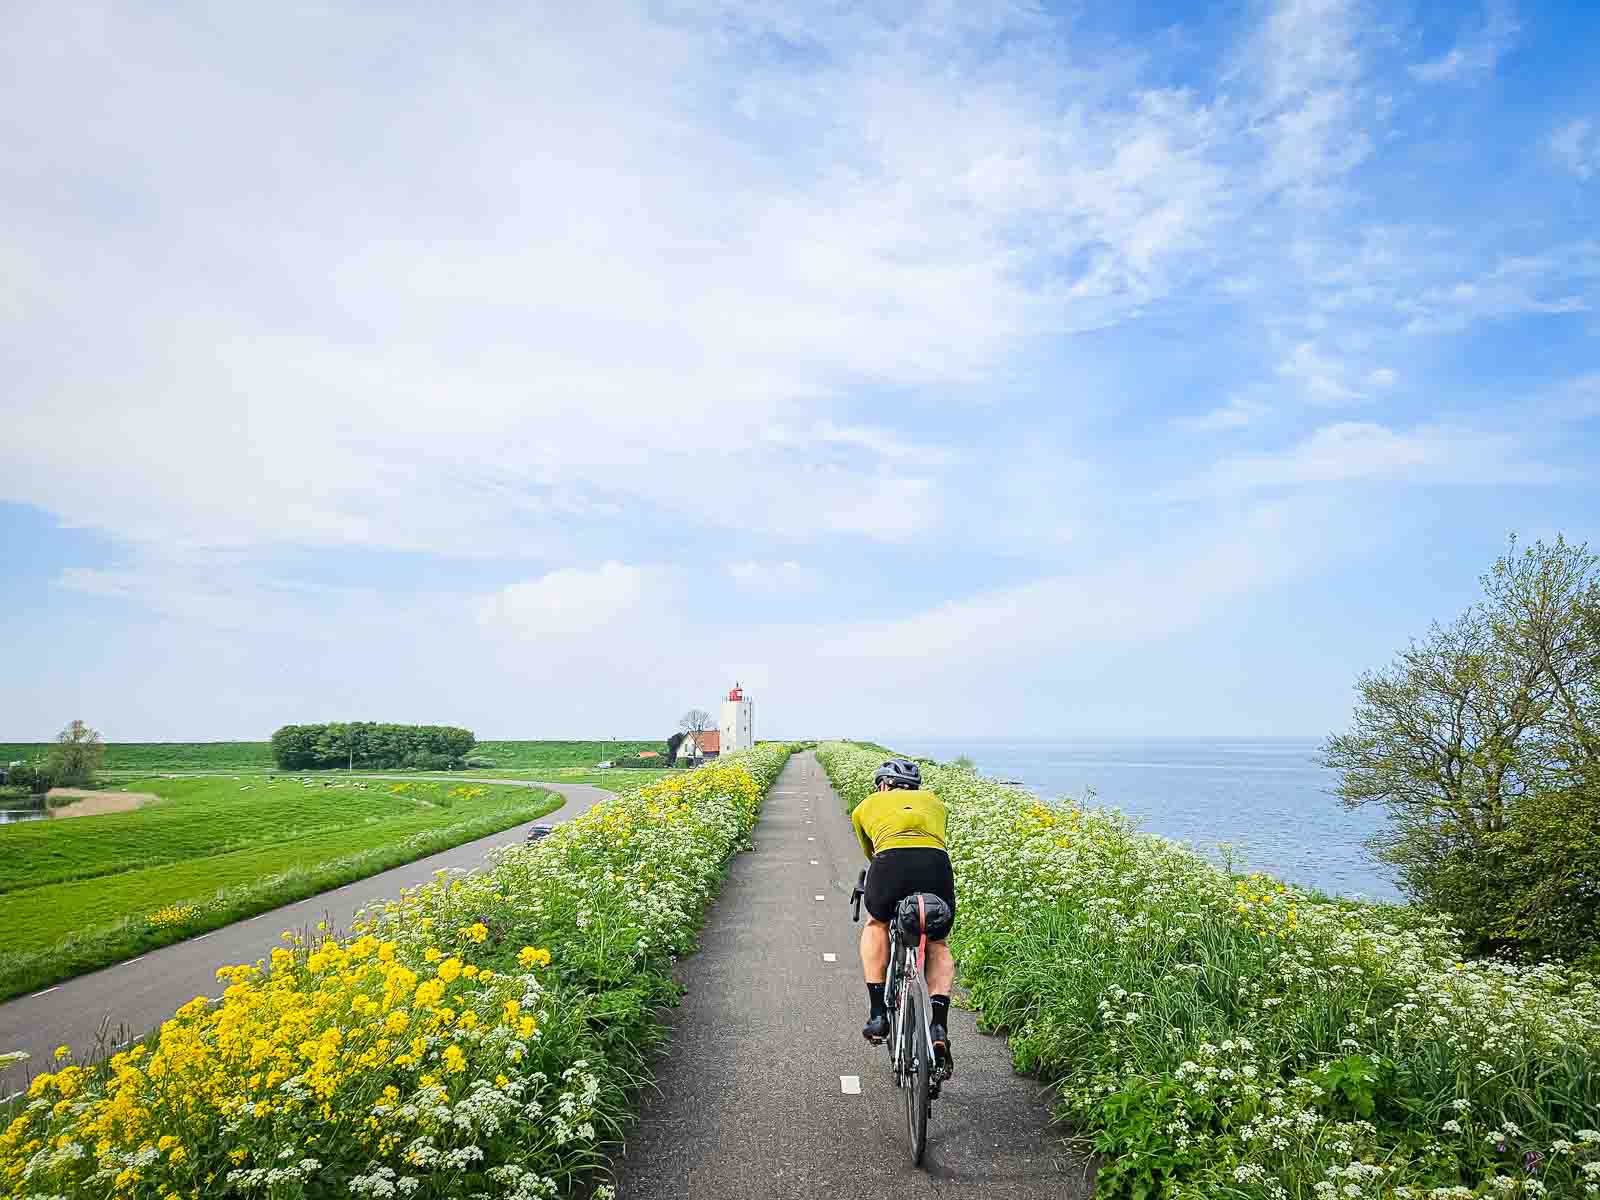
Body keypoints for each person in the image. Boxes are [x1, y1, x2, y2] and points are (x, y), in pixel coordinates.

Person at [853, 757, 955, 1070]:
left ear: (883, 785)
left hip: (890, 863)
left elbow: (871, 851)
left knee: (877, 923)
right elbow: (937, 839)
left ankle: (878, 1014)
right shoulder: (935, 804)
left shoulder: (868, 805)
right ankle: (938, 1024)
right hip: (935, 866)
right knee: (937, 943)